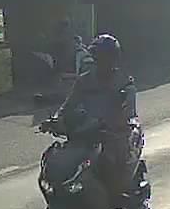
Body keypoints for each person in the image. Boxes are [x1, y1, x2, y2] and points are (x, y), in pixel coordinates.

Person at [56, 34, 139, 200]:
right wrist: (56, 120)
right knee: (62, 160)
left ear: (114, 59)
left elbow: (127, 111)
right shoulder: (84, 80)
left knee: (111, 163)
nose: (101, 62)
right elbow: (69, 105)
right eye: (98, 57)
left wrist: (114, 122)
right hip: (86, 134)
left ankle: (117, 199)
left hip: (115, 135)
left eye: (105, 57)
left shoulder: (124, 83)